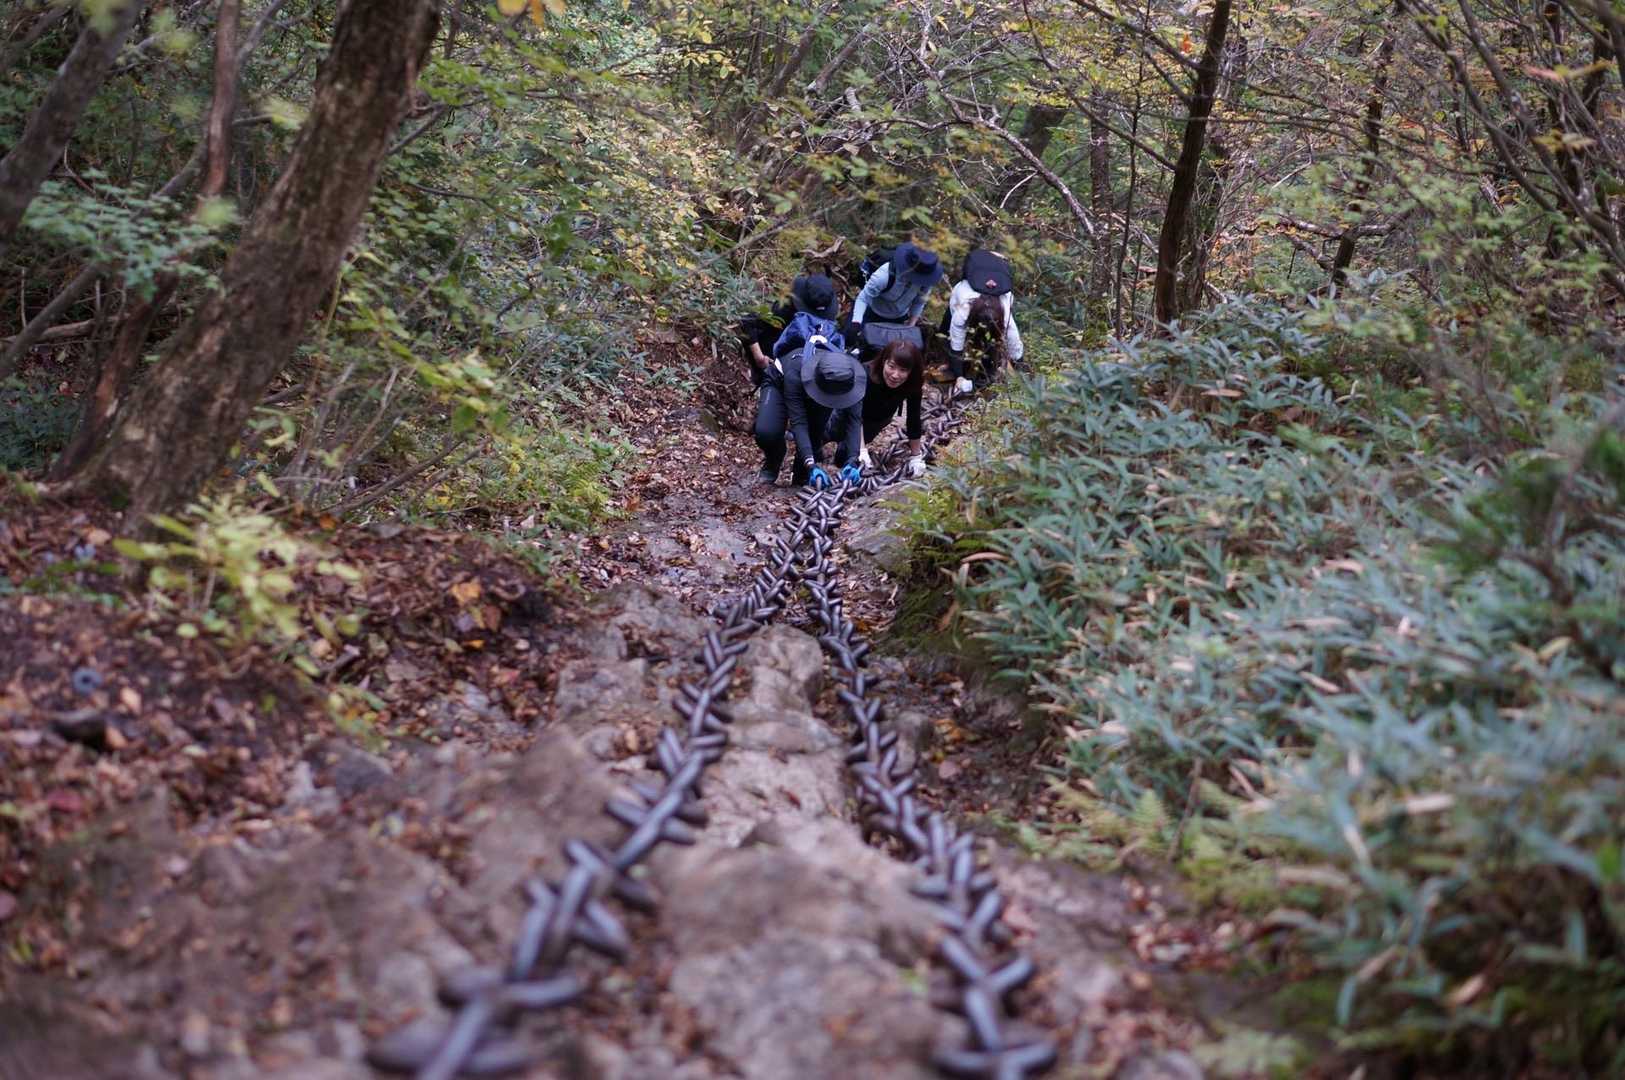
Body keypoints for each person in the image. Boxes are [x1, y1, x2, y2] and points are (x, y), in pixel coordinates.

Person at [751, 310, 865, 487]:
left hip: (823, 387)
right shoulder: (795, 373)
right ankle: (774, 459)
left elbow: (854, 421)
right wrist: (811, 463)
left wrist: (852, 460)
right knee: (766, 432)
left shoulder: (851, 379)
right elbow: (798, 421)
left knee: (814, 436)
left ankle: (801, 474)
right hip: (781, 381)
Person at [830, 339, 928, 478]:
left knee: (843, 457)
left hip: (877, 418)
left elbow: (914, 418)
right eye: (891, 366)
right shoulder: (864, 375)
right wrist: (861, 450)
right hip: (848, 414)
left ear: (911, 371)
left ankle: (844, 448)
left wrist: (916, 456)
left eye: (903, 370)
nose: (895, 375)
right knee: (828, 433)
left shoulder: (913, 384)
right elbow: (855, 416)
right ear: (883, 362)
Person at [943, 248, 1024, 394]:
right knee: (946, 333)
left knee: (990, 348)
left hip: (997, 306)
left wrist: (1019, 370)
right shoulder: (962, 310)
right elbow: (956, 346)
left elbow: (1015, 345)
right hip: (961, 298)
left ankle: (983, 377)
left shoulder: (1005, 315)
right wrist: (959, 376)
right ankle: (945, 360)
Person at [848, 241, 944, 361]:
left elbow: (919, 302)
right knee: (856, 348)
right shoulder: (884, 276)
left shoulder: (925, 282)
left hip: (898, 319)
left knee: (889, 357)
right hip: (870, 314)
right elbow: (863, 298)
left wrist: (910, 327)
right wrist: (856, 323)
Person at [738, 273, 839, 384]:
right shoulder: (787, 312)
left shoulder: (788, 312)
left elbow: (748, 321)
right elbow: (748, 322)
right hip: (778, 365)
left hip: (788, 367)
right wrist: (760, 358)